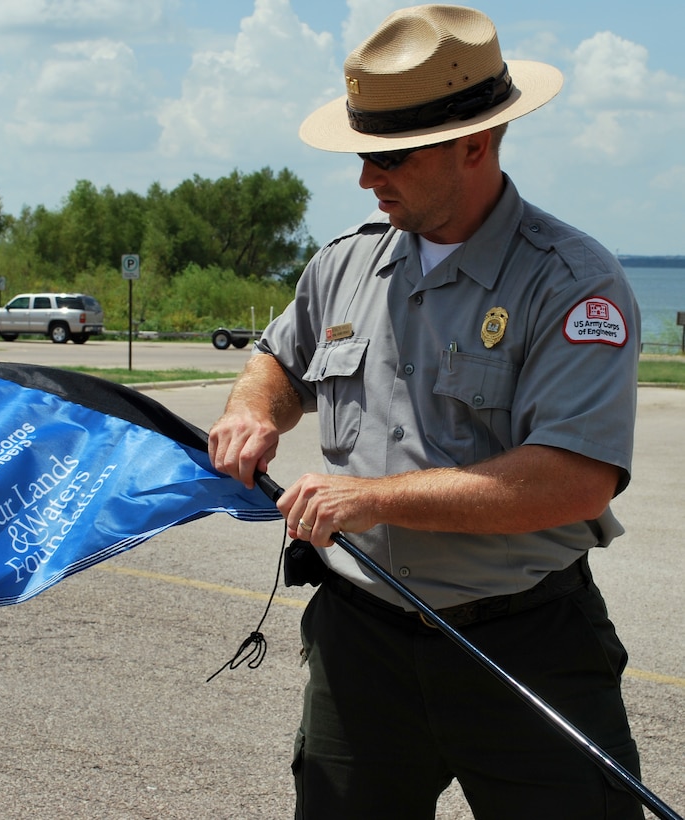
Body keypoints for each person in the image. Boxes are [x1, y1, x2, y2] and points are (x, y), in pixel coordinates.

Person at [208, 5, 644, 818]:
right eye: (363, 153)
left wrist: (367, 498)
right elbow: (276, 360)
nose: (367, 178)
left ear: (473, 145)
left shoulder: (571, 282)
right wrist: (253, 411)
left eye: (389, 156)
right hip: (359, 644)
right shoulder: (343, 263)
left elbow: (574, 481)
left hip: (523, 644)